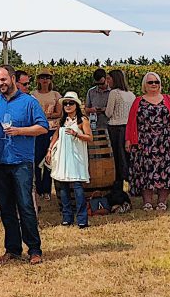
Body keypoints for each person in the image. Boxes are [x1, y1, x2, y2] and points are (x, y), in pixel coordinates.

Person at [0, 65, 48, 263]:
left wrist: (20, 131)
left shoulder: (29, 102)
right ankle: (12, 249)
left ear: (12, 79)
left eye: (4, 79)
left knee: (26, 206)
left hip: (21, 162)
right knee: (6, 207)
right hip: (0, 162)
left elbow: (43, 127)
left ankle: (34, 249)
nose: (1, 83)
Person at [127, 72, 170, 211]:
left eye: (156, 82)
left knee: (166, 170)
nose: (154, 85)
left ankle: (162, 202)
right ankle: (147, 202)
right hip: (144, 142)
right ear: (144, 85)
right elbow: (131, 122)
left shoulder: (167, 99)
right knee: (145, 171)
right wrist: (128, 140)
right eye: (150, 82)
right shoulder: (138, 101)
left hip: (166, 141)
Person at [48, 92, 93, 228]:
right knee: (63, 187)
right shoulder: (62, 120)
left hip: (76, 157)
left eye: (70, 103)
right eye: (65, 103)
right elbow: (56, 135)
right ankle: (67, 217)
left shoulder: (82, 120)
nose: (67, 106)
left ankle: (82, 219)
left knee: (78, 187)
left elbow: (90, 137)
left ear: (76, 105)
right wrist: (49, 150)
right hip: (63, 156)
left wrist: (77, 134)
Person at [104, 70, 136, 211]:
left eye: (109, 78)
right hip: (128, 129)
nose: (107, 81)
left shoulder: (114, 93)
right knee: (126, 159)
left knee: (116, 161)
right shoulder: (131, 94)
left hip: (115, 129)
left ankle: (117, 192)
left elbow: (108, 113)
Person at [32, 72, 61, 202]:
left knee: (49, 161)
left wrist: (45, 116)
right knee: (37, 160)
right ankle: (38, 189)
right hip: (37, 130)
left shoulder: (56, 95)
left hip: (52, 130)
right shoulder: (33, 95)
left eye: (47, 77)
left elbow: (59, 113)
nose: (45, 80)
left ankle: (47, 189)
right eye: (42, 77)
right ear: (38, 79)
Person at [87, 68, 111, 133]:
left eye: (102, 83)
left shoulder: (112, 92)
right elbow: (86, 109)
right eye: (97, 84)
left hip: (110, 126)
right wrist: (91, 110)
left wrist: (106, 109)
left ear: (106, 79)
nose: (100, 86)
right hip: (95, 125)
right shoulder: (91, 91)